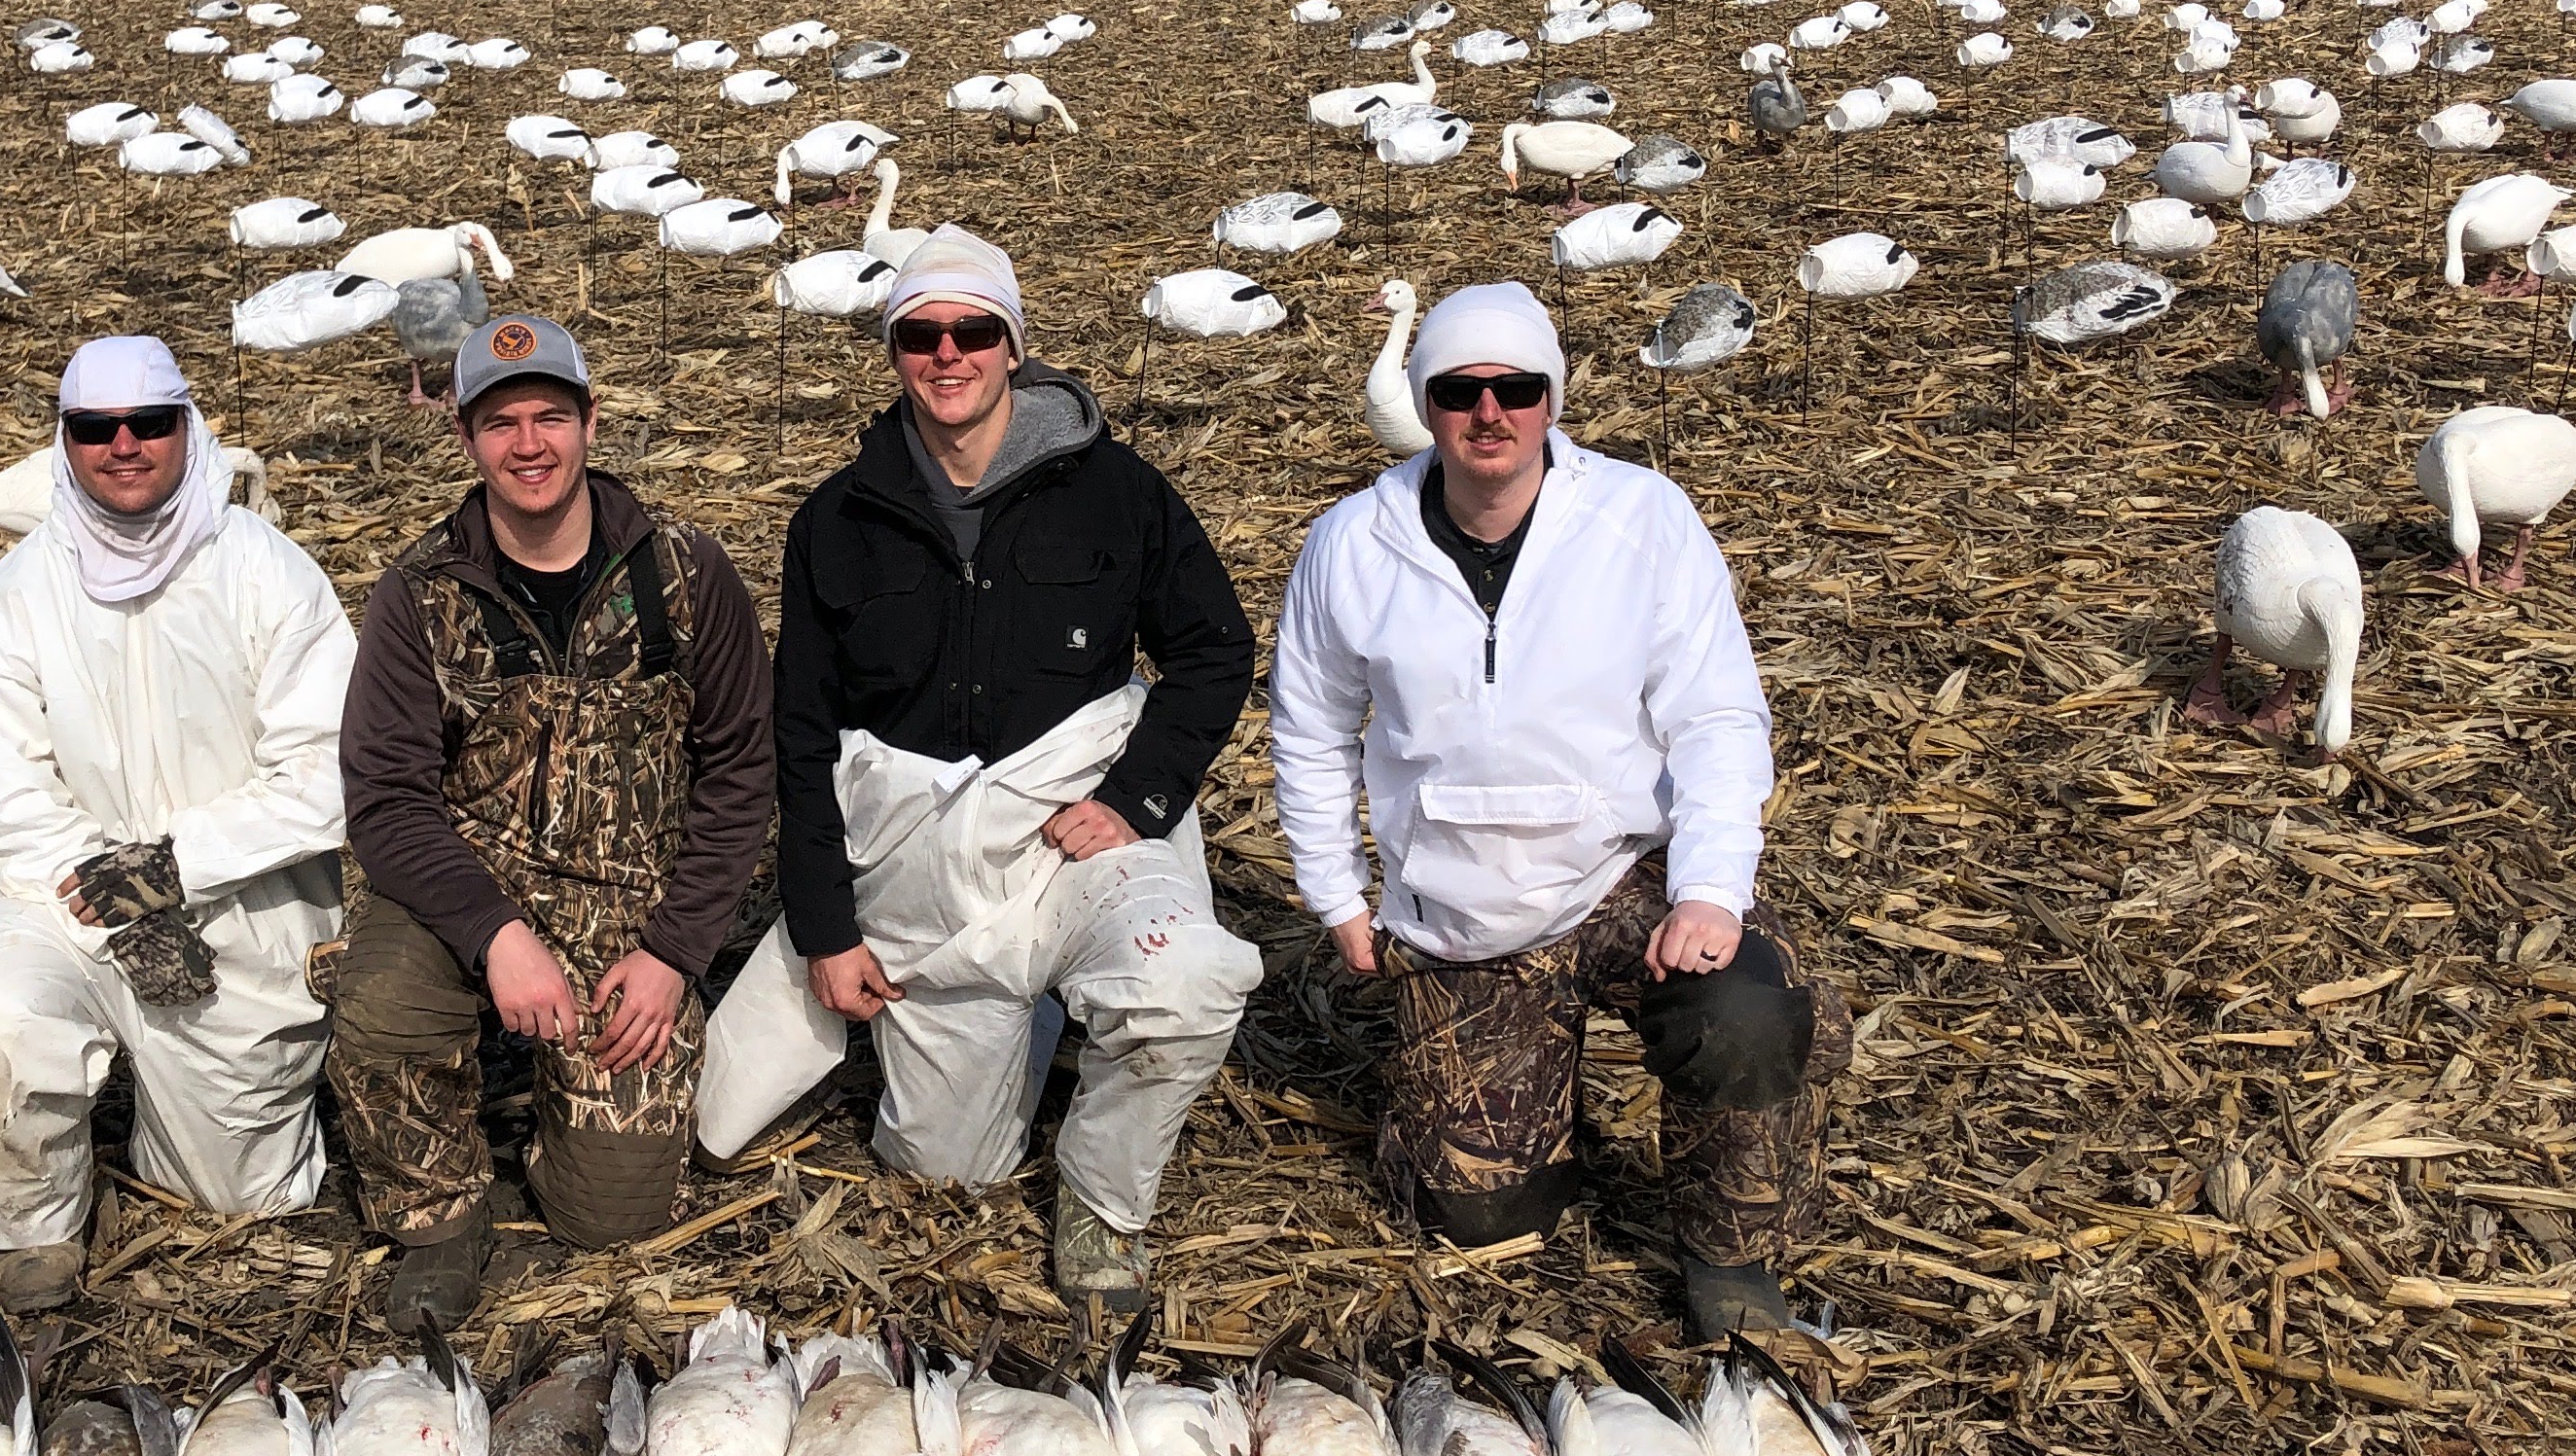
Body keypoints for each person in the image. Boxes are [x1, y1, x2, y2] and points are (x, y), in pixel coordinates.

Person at [1268, 281, 1848, 1344]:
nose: (1490, 413)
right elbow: (1308, 732)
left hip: (1623, 878)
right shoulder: (1351, 545)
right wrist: (1334, 894)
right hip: (1460, 908)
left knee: (1752, 1014)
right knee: (1481, 1220)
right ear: (1426, 401)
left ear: (1553, 396)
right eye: (1460, 390)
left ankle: (1729, 1255)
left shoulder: (1642, 519)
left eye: (1518, 389)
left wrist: (1712, 890)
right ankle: (1521, 1094)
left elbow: (1719, 716)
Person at [698, 230, 1259, 1322]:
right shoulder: (837, 522)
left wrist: (1137, 797)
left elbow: (1214, 651)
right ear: (894, 349)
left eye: (972, 332)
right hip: (923, 871)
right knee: (947, 1170)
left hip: (1075, 839)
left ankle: (1102, 1200)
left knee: (1185, 985)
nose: (946, 355)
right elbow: (802, 736)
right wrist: (825, 925)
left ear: (1013, 346)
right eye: (921, 333)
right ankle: (1028, 1026)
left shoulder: (1117, 493)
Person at [331, 314, 775, 1329]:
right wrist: (495, 934)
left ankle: (554, 1114)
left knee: (611, 1216)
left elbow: (742, 768)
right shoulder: (422, 593)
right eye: (499, 424)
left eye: (549, 418)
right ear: (465, 438)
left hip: (631, 905)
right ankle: (442, 1218)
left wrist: (674, 951)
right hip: (471, 886)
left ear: (589, 421)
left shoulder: (685, 573)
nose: (527, 445)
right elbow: (388, 798)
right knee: (383, 1015)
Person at [0, 336, 357, 1312]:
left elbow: (328, 773)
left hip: (239, 903)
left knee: (242, 1201)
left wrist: (171, 869)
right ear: (64, 442)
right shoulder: (12, 601)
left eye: (149, 423)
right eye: (95, 428)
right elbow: (14, 804)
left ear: (186, 430)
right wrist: (115, 894)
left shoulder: (269, 576)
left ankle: (191, 1116)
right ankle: (36, 1226)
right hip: (59, 897)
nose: (124, 445)